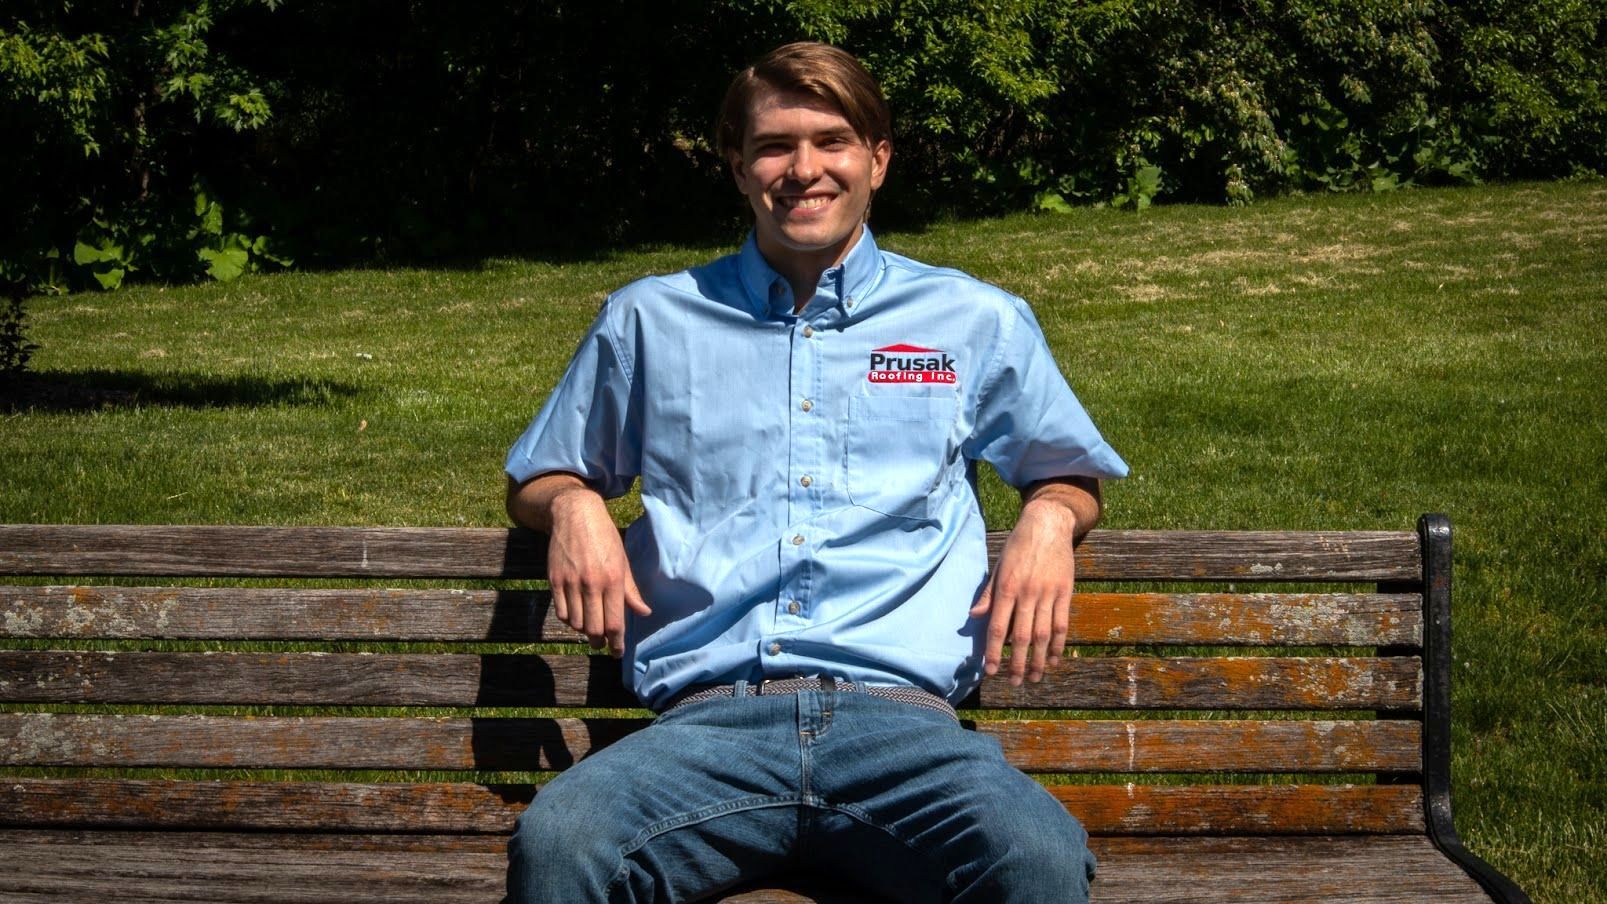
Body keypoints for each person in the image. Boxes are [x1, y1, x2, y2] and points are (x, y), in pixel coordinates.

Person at [503, 41, 1127, 903]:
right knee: (564, 842)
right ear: (736, 165)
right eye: (772, 146)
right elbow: (538, 476)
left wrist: (1051, 519)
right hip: (701, 730)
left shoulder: (973, 320)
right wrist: (572, 503)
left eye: (831, 141)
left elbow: (1062, 470)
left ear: (877, 157)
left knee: (1032, 854)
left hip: (905, 733)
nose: (803, 170)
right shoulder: (648, 320)